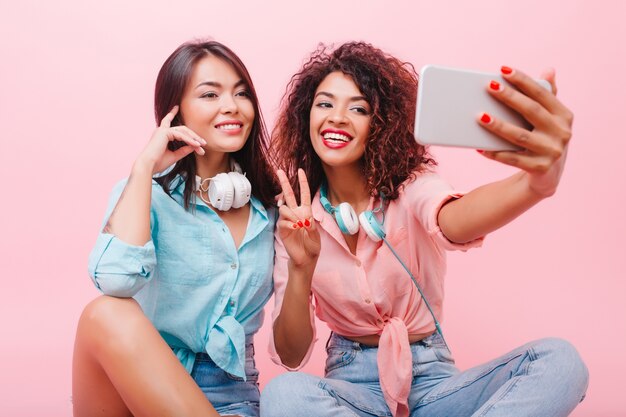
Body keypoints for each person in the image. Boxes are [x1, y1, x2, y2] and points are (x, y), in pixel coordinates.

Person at [260, 42, 588, 417]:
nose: (337, 117)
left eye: (359, 108)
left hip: (436, 384)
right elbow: (291, 355)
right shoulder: (297, 215)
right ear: (306, 115)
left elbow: (454, 219)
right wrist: (302, 268)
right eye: (325, 103)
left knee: (560, 362)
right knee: (284, 394)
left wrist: (534, 186)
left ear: (382, 123)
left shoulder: (411, 186)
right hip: (352, 393)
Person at [72, 40, 277, 417]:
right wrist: (144, 167)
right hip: (140, 385)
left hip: (231, 395)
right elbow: (115, 282)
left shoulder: (271, 209)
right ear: (175, 113)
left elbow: (292, 349)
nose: (231, 105)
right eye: (210, 94)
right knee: (105, 313)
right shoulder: (144, 192)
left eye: (241, 93)